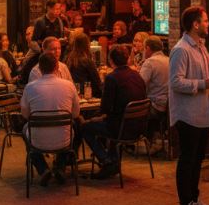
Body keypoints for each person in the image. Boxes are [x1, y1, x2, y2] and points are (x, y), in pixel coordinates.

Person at [169, 6, 209, 205]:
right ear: (195, 24)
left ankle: (194, 198)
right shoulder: (181, 50)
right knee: (188, 160)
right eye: (205, 21)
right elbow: (175, 82)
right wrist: (202, 84)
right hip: (188, 115)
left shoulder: (201, 46)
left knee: (198, 159)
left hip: (203, 112)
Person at [80, 44, 147, 179]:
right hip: (139, 127)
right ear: (127, 59)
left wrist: (93, 118)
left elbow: (105, 108)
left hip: (120, 128)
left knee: (85, 127)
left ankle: (106, 161)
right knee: (107, 121)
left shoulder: (112, 78)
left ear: (111, 61)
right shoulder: (137, 75)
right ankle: (113, 161)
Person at [20, 52, 81, 186]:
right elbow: (76, 114)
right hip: (64, 141)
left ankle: (42, 169)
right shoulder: (69, 85)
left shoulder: (30, 87)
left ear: (40, 68)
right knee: (73, 127)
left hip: (37, 142)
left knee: (25, 129)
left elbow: (25, 115)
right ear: (57, 67)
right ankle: (60, 167)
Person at [140, 35, 170, 154]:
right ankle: (157, 138)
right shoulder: (169, 60)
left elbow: (140, 84)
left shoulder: (150, 62)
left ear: (147, 48)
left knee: (130, 110)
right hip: (169, 106)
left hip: (155, 106)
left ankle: (135, 141)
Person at [65, 32, 103, 97]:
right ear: (87, 45)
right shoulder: (87, 61)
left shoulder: (68, 59)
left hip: (70, 91)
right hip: (85, 93)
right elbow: (97, 81)